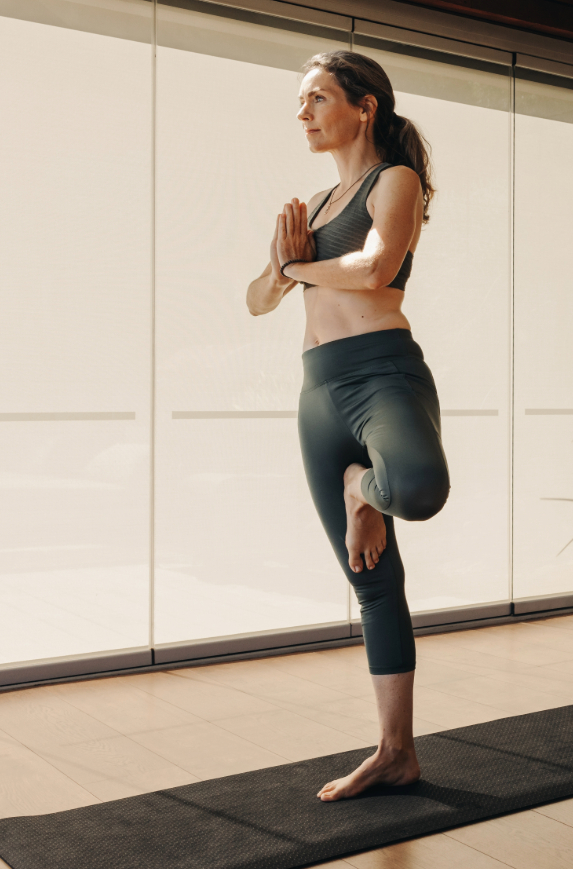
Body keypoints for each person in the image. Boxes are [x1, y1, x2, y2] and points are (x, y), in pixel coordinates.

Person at [245, 50, 449, 802]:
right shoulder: (315, 204)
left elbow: (373, 267)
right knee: (372, 581)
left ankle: (364, 488)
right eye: (300, 101)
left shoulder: (393, 182)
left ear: (364, 107)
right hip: (318, 391)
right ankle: (396, 751)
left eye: (317, 97)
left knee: (419, 487)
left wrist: (297, 270)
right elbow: (255, 300)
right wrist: (279, 266)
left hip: (381, 375)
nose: (303, 112)